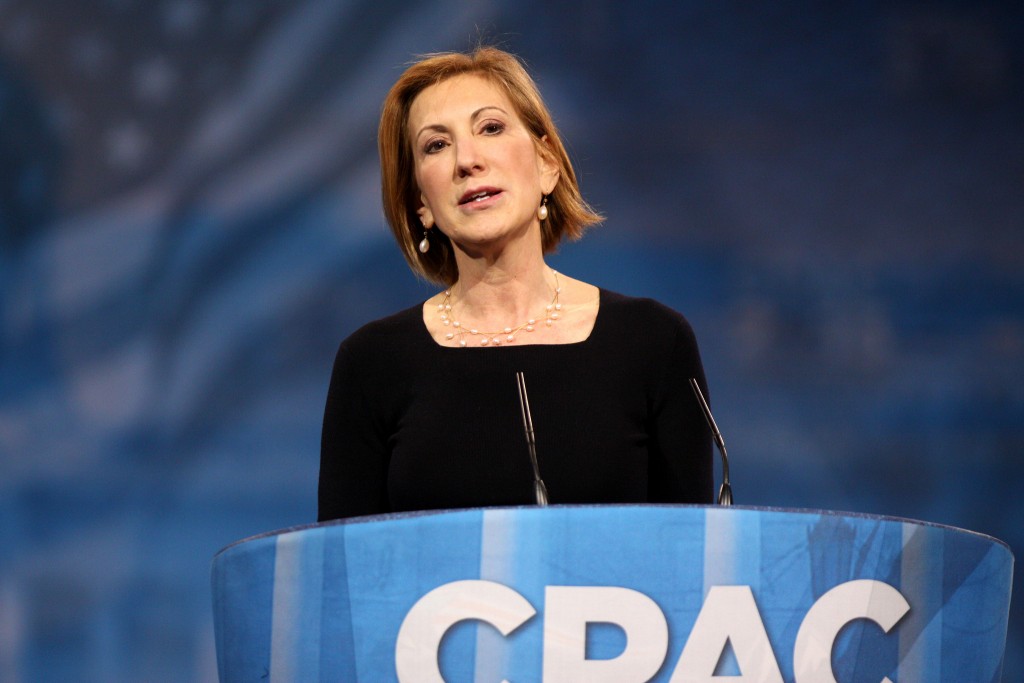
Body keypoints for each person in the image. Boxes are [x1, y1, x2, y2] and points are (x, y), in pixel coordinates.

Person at [318, 47, 712, 521]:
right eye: (436, 145)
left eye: (490, 128)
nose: (467, 160)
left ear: (546, 164)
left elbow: (693, 551)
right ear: (422, 203)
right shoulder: (372, 363)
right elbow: (341, 560)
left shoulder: (654, 342)